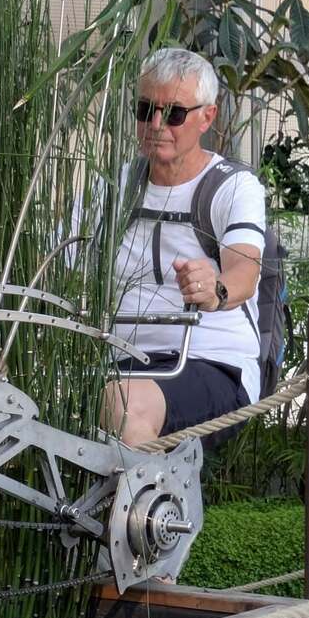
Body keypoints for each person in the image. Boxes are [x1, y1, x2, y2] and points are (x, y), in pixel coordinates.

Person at [102, 47, 266, 447]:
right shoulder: (114, 186)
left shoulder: (232, 186)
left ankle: (150, 491)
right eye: (145, 110)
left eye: (174, 113)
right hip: (117, 361)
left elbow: (245, 272)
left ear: (207, 117)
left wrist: (215, 289)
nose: (156, 125)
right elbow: (50, 263)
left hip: (210, 361)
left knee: (122, 405)